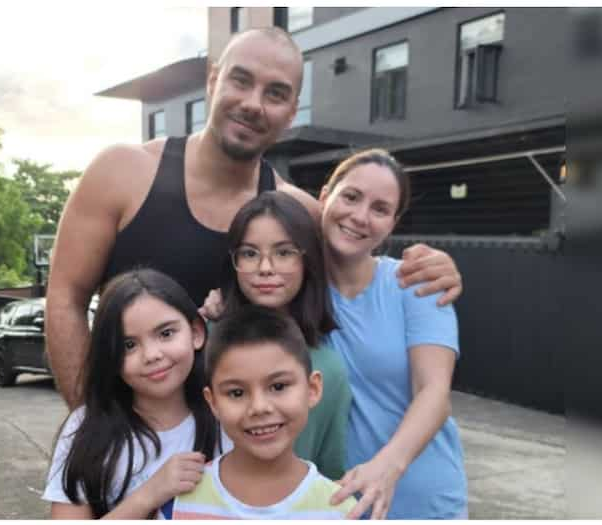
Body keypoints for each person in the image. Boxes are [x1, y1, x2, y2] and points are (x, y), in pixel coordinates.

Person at [46, 27, 464, 409]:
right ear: (213, 81)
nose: (252, 104)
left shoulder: (299, 215)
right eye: (241, 81)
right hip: (127, 445)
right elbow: (65, 298)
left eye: (275, 93)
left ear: (291, 110)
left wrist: (437, 269)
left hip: (240, 459)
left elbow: (360, 271)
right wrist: (92, 425)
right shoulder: (122, 172)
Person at [318, 150, 467, 519]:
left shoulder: (417, 284)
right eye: (351, 197)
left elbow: (434, 392)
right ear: (324, 197)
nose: (359, 216)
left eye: (380, 208)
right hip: (336, 502)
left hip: (421, 497)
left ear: (392, 223)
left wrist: (386, 468)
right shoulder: (293, 288)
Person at [41, 269, 230, 519]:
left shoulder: (227, 418)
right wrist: (149, 495)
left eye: (166, 333)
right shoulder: (85, 428)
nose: (152, 355)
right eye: (128, 345)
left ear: (195, 332)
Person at [171, 306, 356, 519]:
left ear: (312, 389)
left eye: (278, 387)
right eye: (237, 393)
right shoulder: (180, 503)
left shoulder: (341, 511)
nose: (259, 407)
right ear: (212, 402)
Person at [217, 190, 349, 480]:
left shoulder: (329, 368)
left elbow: (329, 473)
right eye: (249, 254)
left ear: (307, 260)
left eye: (284, 252)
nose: (265, 268)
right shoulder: (202, 344)